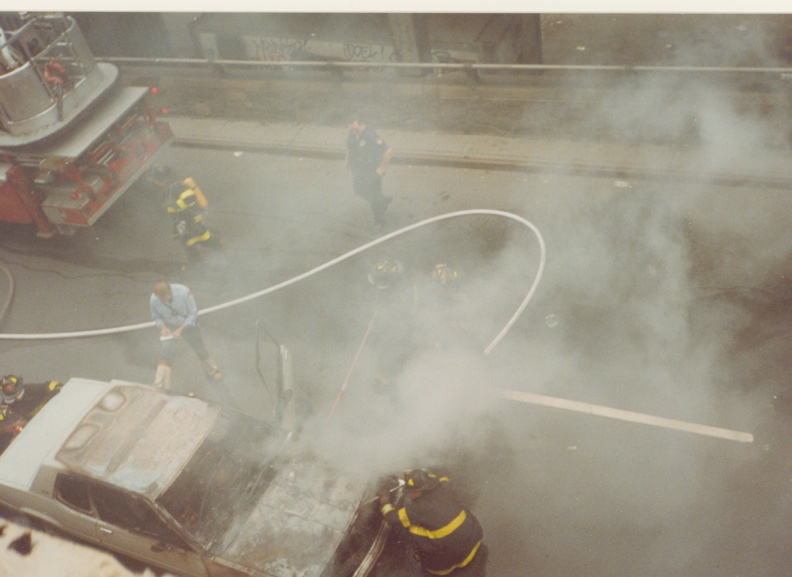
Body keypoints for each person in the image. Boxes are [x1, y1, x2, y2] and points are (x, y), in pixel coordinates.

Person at [379, 469, 487, 576]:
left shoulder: (418, 509)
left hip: (443, 564)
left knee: (411, 527)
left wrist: (385, 500)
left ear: (419, 491)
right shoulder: (444, 486)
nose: (410, 494)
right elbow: (441, 478)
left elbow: (392, 519)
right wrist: (417, 474)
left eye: (411, 491)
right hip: (473, 539)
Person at [149, 281, 221, 391]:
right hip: (170, 325)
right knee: (166, 353)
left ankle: (212, 371)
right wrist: (163, 327)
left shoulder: (183, 292)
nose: (164, 301)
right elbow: (156, 316)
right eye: (161, 299)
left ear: (170, 292)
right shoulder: (154, 299)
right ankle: (160, 385)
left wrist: (180, 330)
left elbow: (193, 314)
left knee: (199, 348)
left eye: (165, 298)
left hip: (187, 324)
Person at [148, 165, 219, 268]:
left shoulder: (176, 187)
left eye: (156, 180)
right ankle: (196, 263)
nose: (155, 182)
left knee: (206, 239)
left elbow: (189, 197)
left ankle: (226, 253)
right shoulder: (169, 189)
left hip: (190, 221)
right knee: (188, 244)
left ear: (162, 180)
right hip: (183, 223)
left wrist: (177, 206)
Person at [345, 115, 393, 232]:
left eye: (355, 129)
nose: (353, 132)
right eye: (351, 130)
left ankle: (379, 223)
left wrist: (382, 168)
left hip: (372, 173)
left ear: (361, 124)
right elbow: (349, 148)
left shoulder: (370, 136)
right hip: (358, 171)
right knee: (359, 191)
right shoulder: (352, 133)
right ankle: (384, 200)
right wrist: (347, 161)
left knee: (374, 199)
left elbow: (388, 151)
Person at [0, 375, 63, 453]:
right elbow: (3, 414)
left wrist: (58, 392)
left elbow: (50, 385)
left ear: (16, 385)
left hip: (50, 413)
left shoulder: (31, 389)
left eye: (10, 388)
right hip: (32, 424)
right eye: (6, 390)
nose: (9, 391)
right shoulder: (7, 404)